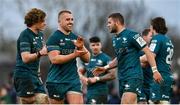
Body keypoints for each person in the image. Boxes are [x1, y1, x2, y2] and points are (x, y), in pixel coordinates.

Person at [93, 13, 162, 104]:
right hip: (122, 78)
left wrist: (155, 70)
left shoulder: (133, 35)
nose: (107, 25)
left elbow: (148, 52)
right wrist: (105, 68)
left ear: (116, 22)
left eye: (109, 22)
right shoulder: (115, 40)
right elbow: (119, 58)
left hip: (133, 76)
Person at [46, 10, 90, 104]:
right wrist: (74, 55)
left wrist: (81, 47)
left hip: (73, 80)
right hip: (56, 81)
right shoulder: (54, 38)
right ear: (60, 21)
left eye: (72, 19)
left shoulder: (75, 37)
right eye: (67, 19)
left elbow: (87, 59)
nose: (71, 22)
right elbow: (54, 59)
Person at [13, 8, 48, 104]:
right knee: (30, 101)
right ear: (35, 21)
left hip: (35, 76)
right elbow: (25, 58)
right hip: (24, 75)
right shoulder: (25, 35)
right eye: (42, 21)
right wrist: (40, 53)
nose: (45, 23)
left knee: (44, 100)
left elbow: (38, 58)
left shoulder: (40, 35)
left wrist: (38, 74)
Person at [78, 36, 116, 104]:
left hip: (101, 91)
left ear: (101, 45)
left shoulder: (106, 58)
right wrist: (82, 78)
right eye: (93, 45)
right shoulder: (87, 58)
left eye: (97, 45)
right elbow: (80, 71)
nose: (95, 47)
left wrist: (97, 79)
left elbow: (113, 75)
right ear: (89, 46)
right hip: (89, 91)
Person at [146, 17, 174, 104]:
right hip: (168, 77)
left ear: (154, 26)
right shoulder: (168, 40)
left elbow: (150, 56)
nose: (150, 27)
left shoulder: (156, 38)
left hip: (158, 77)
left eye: (151, 25)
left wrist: (136, 59)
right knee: (164, 103)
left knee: (153, 102)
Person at [138, 29, 153, 104]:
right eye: (151, 36)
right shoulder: (137, 51)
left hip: (151, 85)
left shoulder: (153, 51)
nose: (152, 38)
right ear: (144, 37)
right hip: (140, 86)